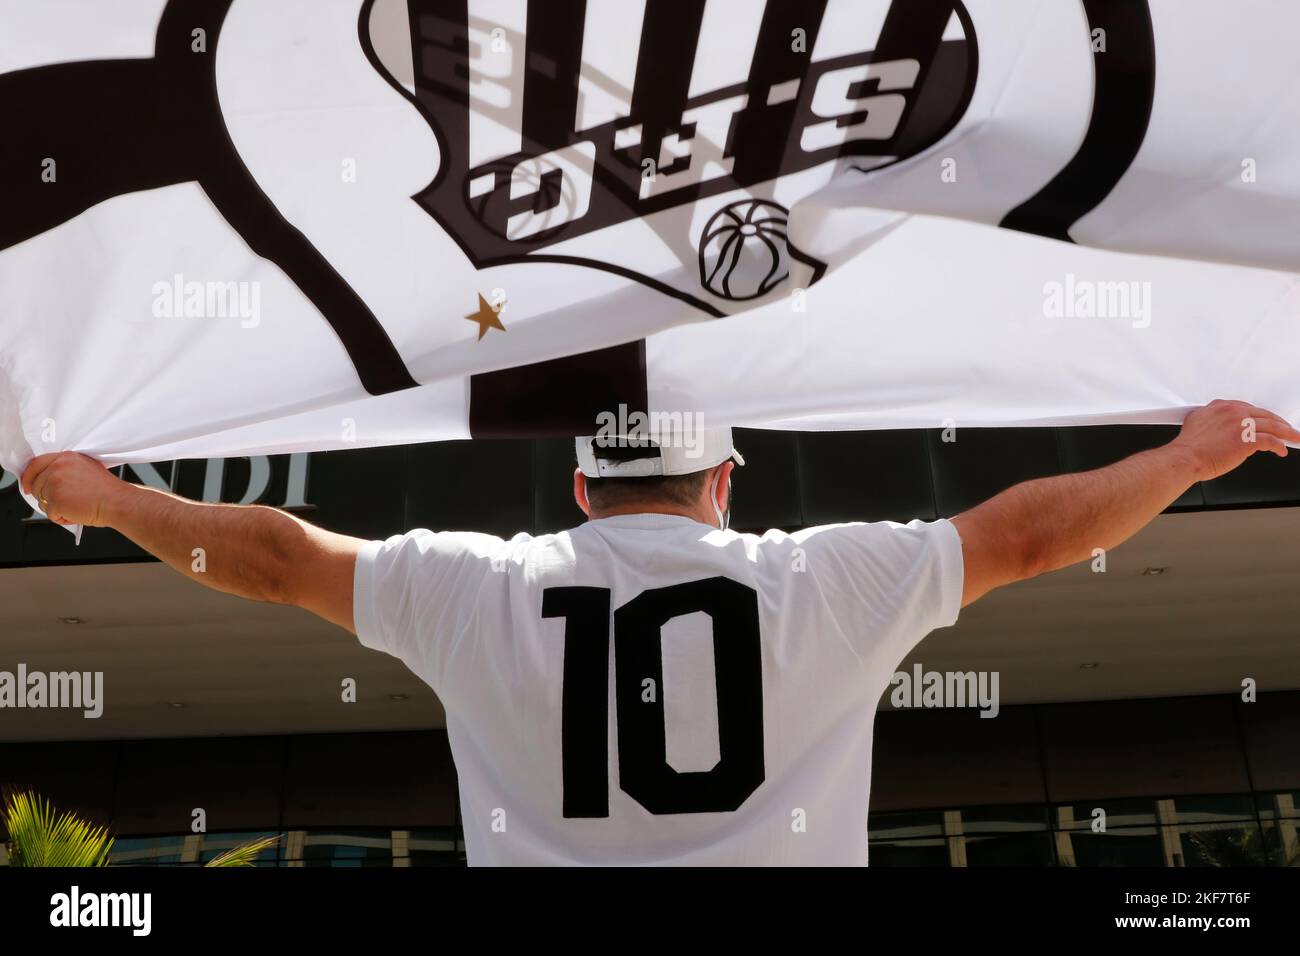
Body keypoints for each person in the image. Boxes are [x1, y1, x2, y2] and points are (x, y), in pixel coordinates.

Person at [19, 400, 1299, 865]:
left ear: (578, 489)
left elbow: (277, 554)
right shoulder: (829, 582)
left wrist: (102, 495)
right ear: (725, 481)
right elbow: (1024, 529)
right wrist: (1187, 455)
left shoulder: (473, 586)